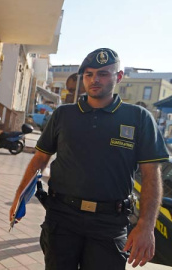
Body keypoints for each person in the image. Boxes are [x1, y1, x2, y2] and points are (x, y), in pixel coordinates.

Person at [9, 48, 169, 269]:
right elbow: (40, 159)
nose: (95, 79)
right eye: (89, 74)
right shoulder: (62, 115)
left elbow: (152, 175)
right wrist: (20, 197)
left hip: (109, 225)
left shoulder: (139, 118)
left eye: (103, 74)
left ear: (119, 77)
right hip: (62, 218)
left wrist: (146, 225)